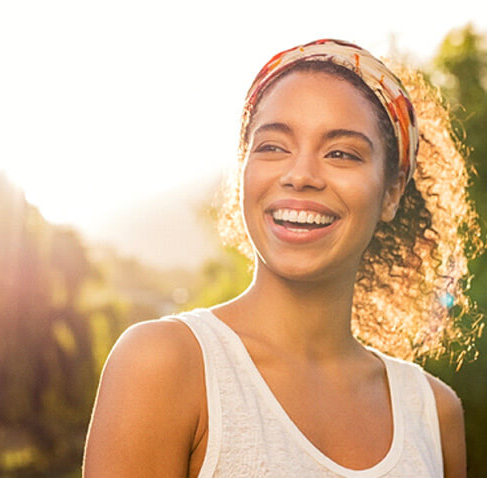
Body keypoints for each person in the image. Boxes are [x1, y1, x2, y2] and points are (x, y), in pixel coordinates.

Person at [83, 39, 483, 477]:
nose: (300, 175)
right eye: (273, 147)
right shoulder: (164, 364)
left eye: (341, 153)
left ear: (391, 192)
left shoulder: (433, 413)